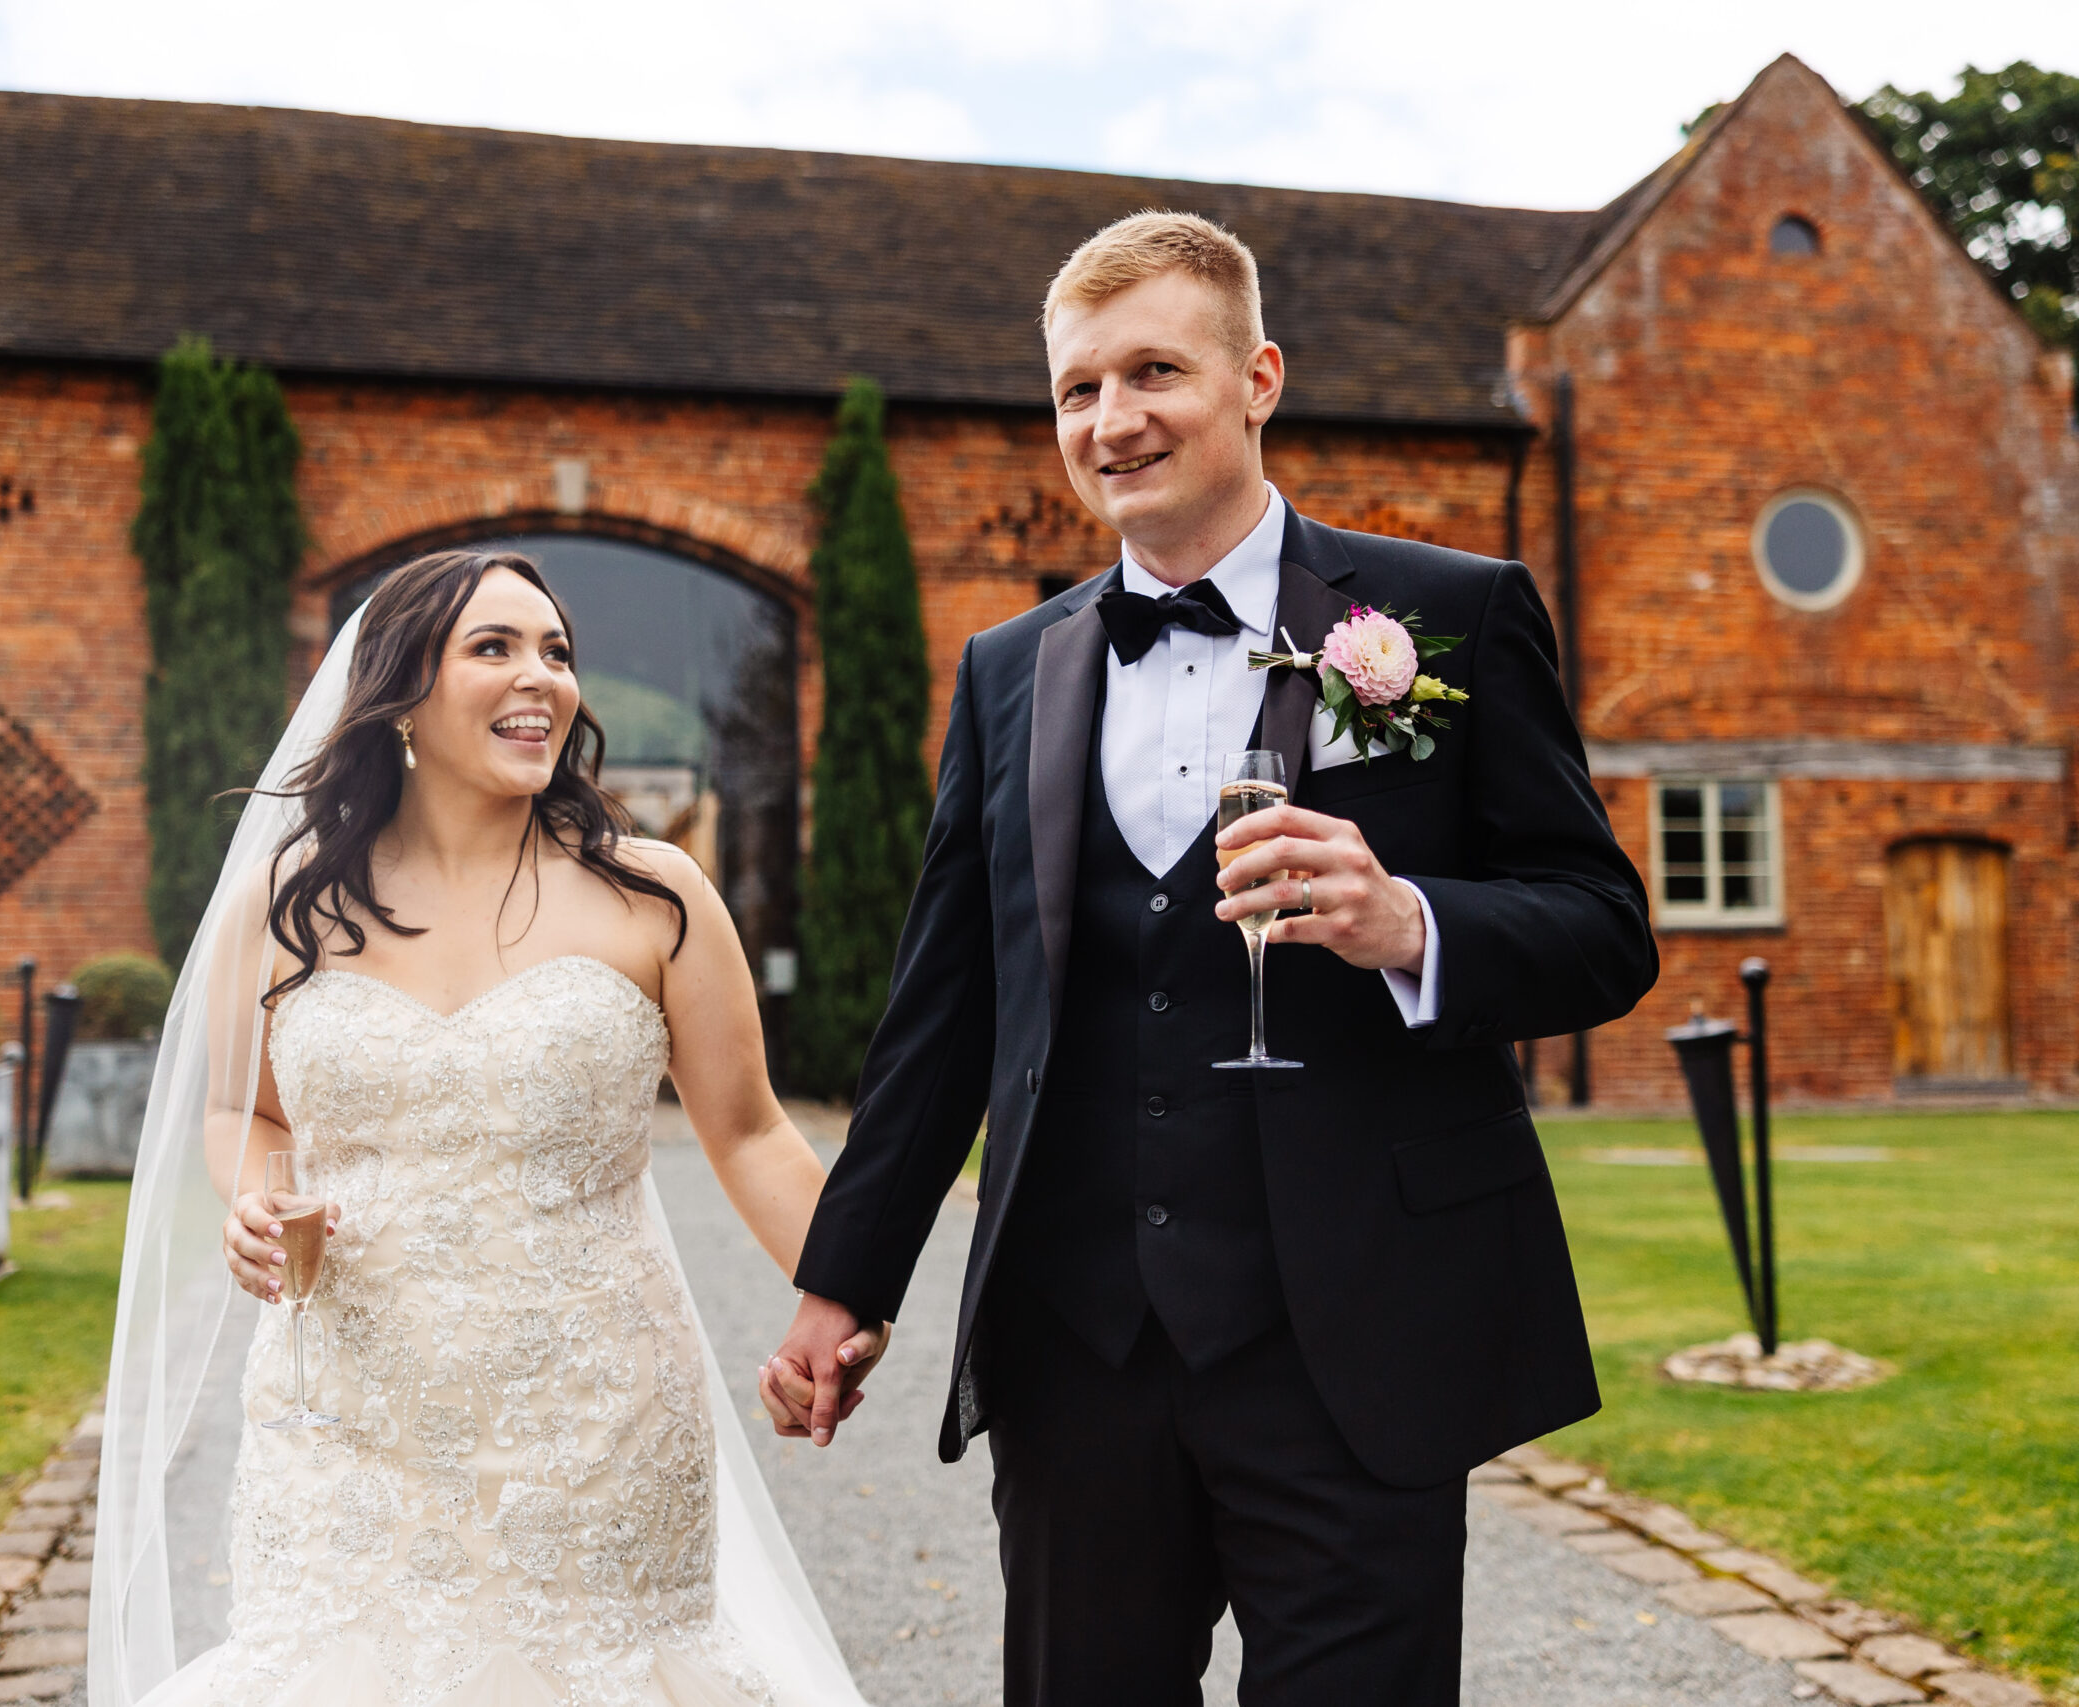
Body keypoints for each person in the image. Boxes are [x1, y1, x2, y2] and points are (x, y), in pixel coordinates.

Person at [762, 212, 1660, 1705]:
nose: (1111, 421)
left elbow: (1601, 924)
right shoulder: (1008, 671)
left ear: (1258, 378)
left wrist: (1410, 921)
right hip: (1078, 1339)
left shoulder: (1443, 616)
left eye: (1153, 371)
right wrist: (841, 1281)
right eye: (1075, 389)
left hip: (1354, 1330)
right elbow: (945, 1009)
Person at [89, 550, 881, 1707]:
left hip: (593, 1420)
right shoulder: (289, 901)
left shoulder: (652, 896)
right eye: (495, 648)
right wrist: (254, 1200)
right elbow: (242, 1111)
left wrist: (850, 1297)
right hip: (342, 1418)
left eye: (556, 652)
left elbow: (754, 1135)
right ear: (402, 691)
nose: (542, 678)